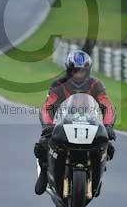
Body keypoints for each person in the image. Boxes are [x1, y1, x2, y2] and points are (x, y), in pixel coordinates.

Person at [34, 50, 116, 195]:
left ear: (88, 70)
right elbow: (48, 107)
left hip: (89, 124)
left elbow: (107, 106)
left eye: (82, 70)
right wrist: (48, 126)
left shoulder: (96, 85)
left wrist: (108, 125)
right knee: (42, 144)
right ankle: (44, 172)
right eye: (75, 70)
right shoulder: (59, 84)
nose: (79, 74)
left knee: (108, 146)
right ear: (69, 70)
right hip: (64, 123)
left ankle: (97, 173)